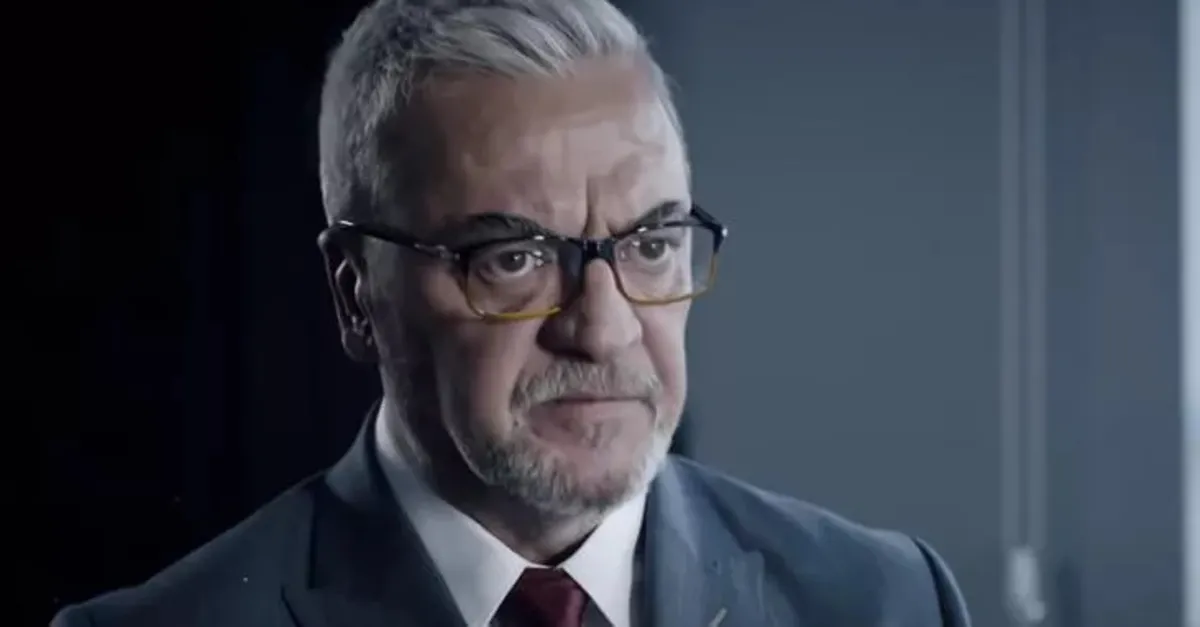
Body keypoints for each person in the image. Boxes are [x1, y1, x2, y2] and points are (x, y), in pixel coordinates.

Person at [53, 1, 971, 625]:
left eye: (652, 244)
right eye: (513, 259)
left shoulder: (887, 601)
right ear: (356, 294)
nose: (604, 329)